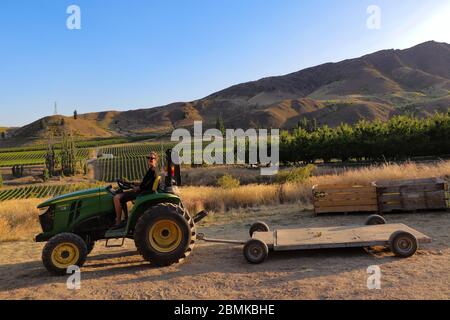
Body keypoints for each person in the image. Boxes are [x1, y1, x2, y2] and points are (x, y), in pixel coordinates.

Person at [112, 151, 158, 228]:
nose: (150, 159)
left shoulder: (153, 171)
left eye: (152, 158)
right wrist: (131, 183)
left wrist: (135, 188)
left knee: (116, 198)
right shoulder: (151, 170)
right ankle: (126, 218)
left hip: (142, 192)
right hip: (142, 190)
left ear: (155, 159)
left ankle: (118, 222)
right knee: (120, 194)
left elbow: (144, 186)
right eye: (148, 158)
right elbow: (143, 183)